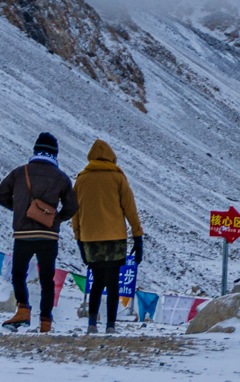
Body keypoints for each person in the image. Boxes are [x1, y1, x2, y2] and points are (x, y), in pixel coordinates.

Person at [1, 132, 78, 331]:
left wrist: (20, 210)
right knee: (47, 280)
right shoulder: (61, 177)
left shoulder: (20, 172)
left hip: (23, 235)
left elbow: (1, 195)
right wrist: (55, 219)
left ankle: (23, 310)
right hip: (48, 236)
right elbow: (72, 206)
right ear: (55, 154)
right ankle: (45, 322)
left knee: (18, 274)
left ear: (35, 150)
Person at [72, 139, 146, 334]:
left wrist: (79, 237)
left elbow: (75, 212)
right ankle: (111, 325)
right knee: (113, 281)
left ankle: (92, 324)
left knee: (97, 280)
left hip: (90, 238)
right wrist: (137, 236)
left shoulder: (81, 179)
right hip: (115, 238)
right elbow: (130, 209)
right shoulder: (118, 177)